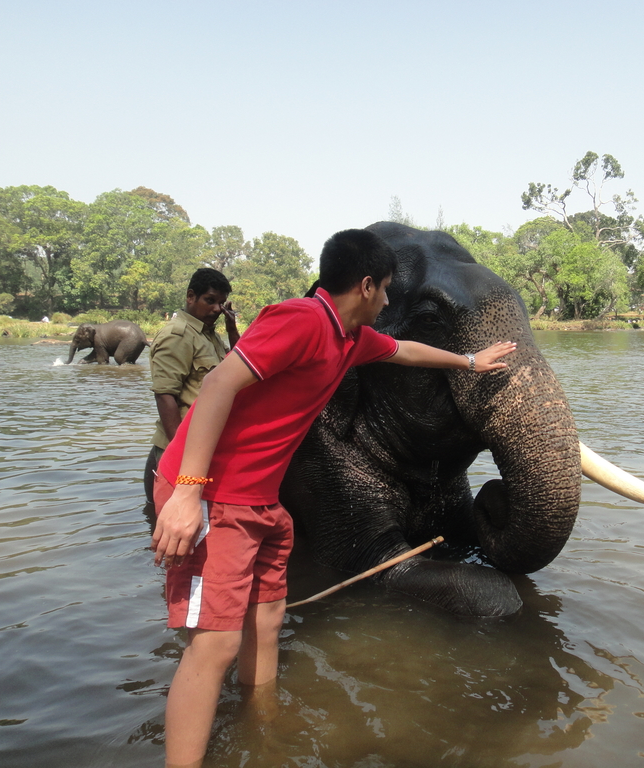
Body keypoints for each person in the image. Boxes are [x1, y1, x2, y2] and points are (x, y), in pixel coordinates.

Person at [150, 229, 516, 767]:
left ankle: (263, 733)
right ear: (366, 286)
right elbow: (217, 387)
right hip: (213, 493)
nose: (389, 301)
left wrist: (469, 362)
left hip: (261, 500)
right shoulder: (298, 320)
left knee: (268, 619)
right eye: (386, 290)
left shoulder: (351, 337)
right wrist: (187, 493)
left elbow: (405, 350)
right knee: (215, 644)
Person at [145, 268, 240, 505]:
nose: (217, 309)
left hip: (197, 451)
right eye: (210, 301)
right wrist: (183, 460)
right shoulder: (177, 336)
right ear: (190, 296)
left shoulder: (209, 336)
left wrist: (232, 331)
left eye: (220, 303)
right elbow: (165, 397)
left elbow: (237, 370)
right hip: (178, 454)